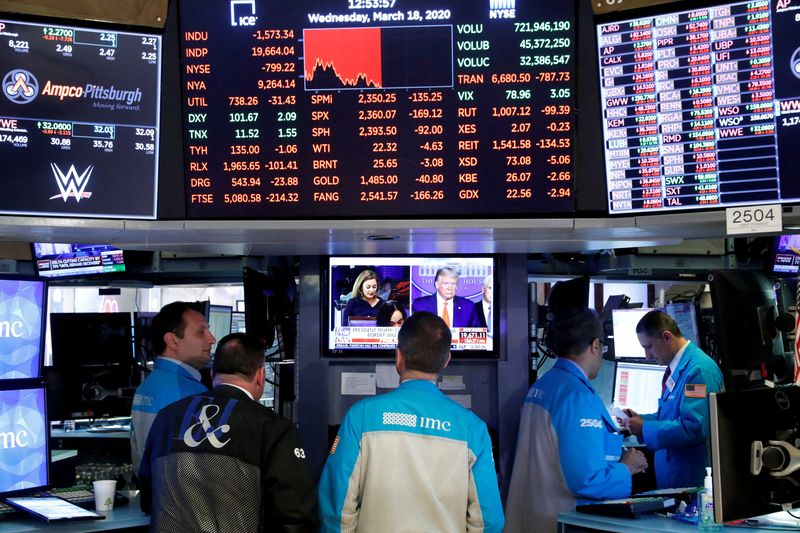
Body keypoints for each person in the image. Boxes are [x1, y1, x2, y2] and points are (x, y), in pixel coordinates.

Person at [317, 311, 504, 533]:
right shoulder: (473, 429)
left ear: (399, 356)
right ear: (446, 361)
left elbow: (336, 509)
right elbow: (488, 520)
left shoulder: (361, 417)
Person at [139, 333, 318, 532]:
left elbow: (147, 498)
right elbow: (294, 515)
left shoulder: (166, 417)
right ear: (260, 376)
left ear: (213, 371)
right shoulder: (273, 427)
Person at [505, 308, 648, 533]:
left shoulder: (544, 385)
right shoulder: (577, 397)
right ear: (596, 346)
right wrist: (627, 467)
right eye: (603, 348)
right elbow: (586, 480)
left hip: (534, 515)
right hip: (563, 521)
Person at [622, 309, 724, 489]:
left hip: (692, 482)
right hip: (673, 479)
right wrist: (639, 419)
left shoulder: (698, 371)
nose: (647, 356)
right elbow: (669, 416)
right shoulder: (677, 369)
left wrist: (645, 428)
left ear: (667, 337)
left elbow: (693, 427)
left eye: (649, 347)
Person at [130, 301, 215, 474]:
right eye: (201, 332)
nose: (212, 339)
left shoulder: (146, 387)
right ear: (172, 341)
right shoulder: (192, 394)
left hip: (153, 496)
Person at [412, 267, 480, 328]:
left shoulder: (468, 306)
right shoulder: (420, 305)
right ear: (437, 285)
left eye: (453, 284)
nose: (449, 288)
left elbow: (478, 334)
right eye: (446, 283)